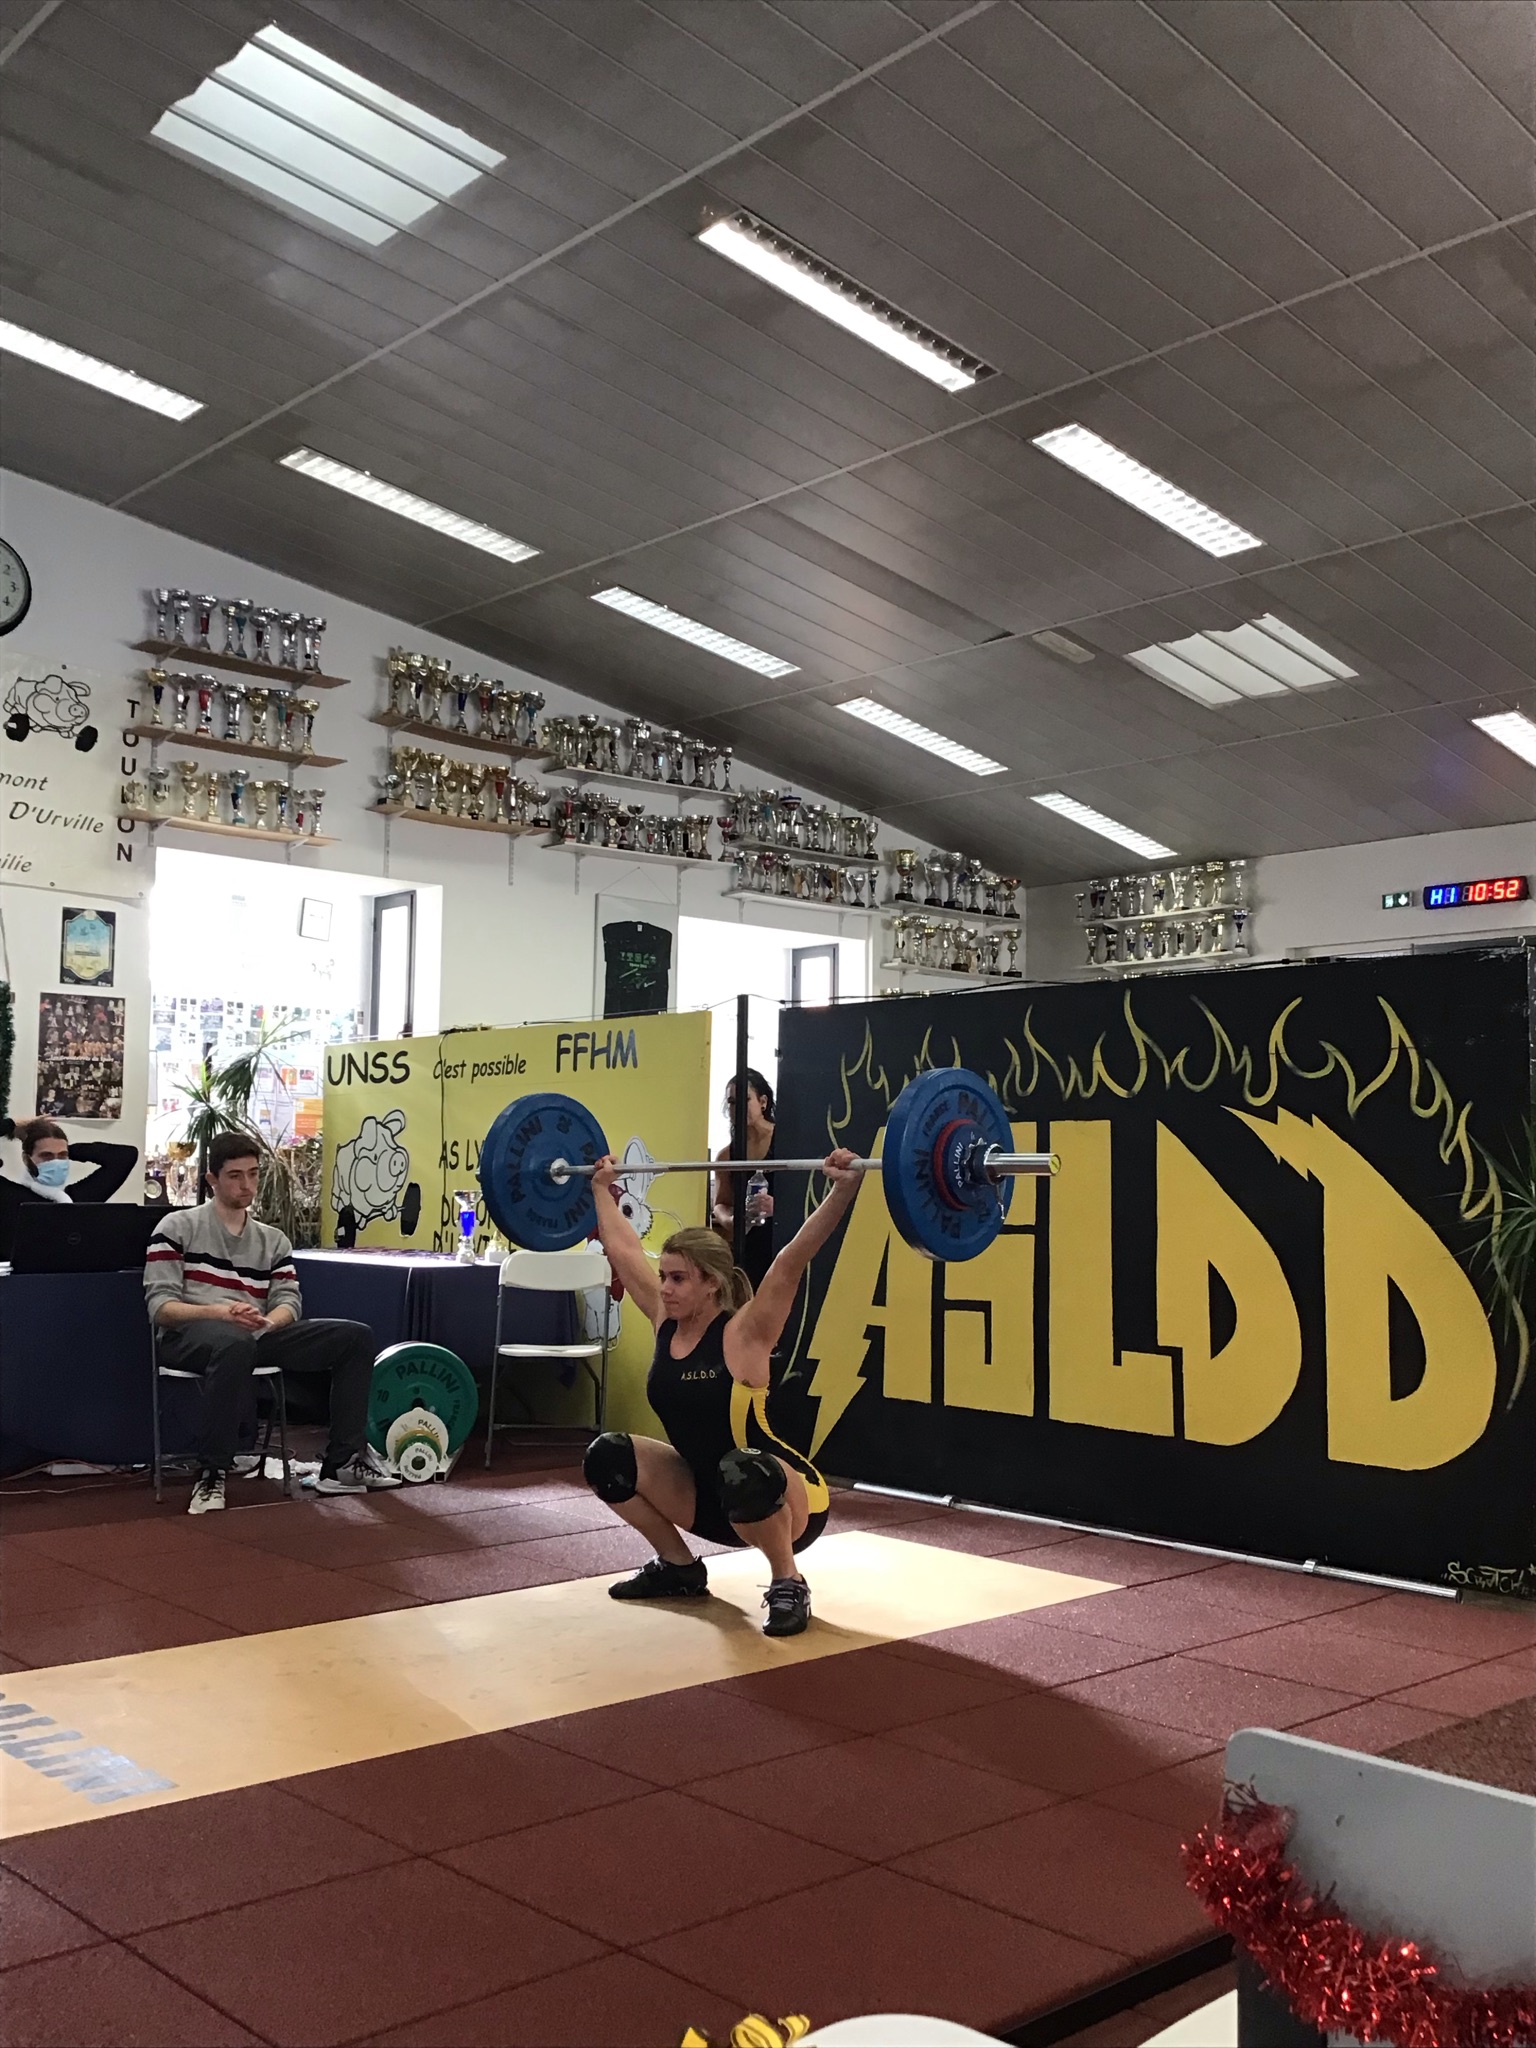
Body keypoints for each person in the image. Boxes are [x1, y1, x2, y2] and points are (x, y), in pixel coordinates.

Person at [583, 1145, 864, 1637]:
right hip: (709, 1497)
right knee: (607, 1457)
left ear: (711, 1283)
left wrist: (843, 1190)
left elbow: (791, 1260)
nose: (665, 1288)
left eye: (678, 1279)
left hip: (785, 1500)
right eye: (664, 1276)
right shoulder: (664, 1321)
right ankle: (679, 1569)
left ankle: (788, 1582)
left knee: (741, 1467)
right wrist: (600, 1190)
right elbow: (624, 1251)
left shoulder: (745, 1333)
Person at [144, 1131, 400, 1515]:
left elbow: (289, 1302)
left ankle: (341, 1464)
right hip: (190, 1334)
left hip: (255, 1333)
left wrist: (267, 1321)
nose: (246, 1185)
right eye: (235, 1176)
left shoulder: (273, 1240)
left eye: (253, 1174)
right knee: (233, 1342)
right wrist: (221, 1313)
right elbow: (161, 1307)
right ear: (212, 1179)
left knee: (354, 1337)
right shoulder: (176, 1227)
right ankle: (212, 1471)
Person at [0, 1116, 139, 1261]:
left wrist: (68, 1150)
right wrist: (11, 1124)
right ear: (26, 1159)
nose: (56, 1163)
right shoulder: (7, 1196)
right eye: (46, 1156)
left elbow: (124, 1156)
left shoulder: (76, 1200)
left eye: (62, 1156)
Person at [710, 1068, 777, 1290]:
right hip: (747, 1247)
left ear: (763, 1102)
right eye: (731, 1102)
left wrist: (779, 1207)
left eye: (744, 1100)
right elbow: (720, 1204)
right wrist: (731, 1220)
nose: (736, 1108)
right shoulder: (726, 1156)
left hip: (782, 1240)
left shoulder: (787, 1143)